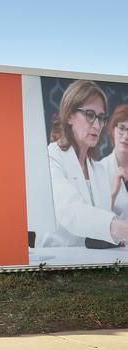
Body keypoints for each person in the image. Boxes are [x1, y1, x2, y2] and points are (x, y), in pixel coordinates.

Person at [39, 80, 128, 248]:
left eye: (101, 117)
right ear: (70, 115)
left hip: (93, 264)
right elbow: (72, 211)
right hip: (55, 264)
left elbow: (100, 230)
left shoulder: (99, 169)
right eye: (89, 114)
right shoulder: (51, 158)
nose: (96, 124)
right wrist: (121, 228)